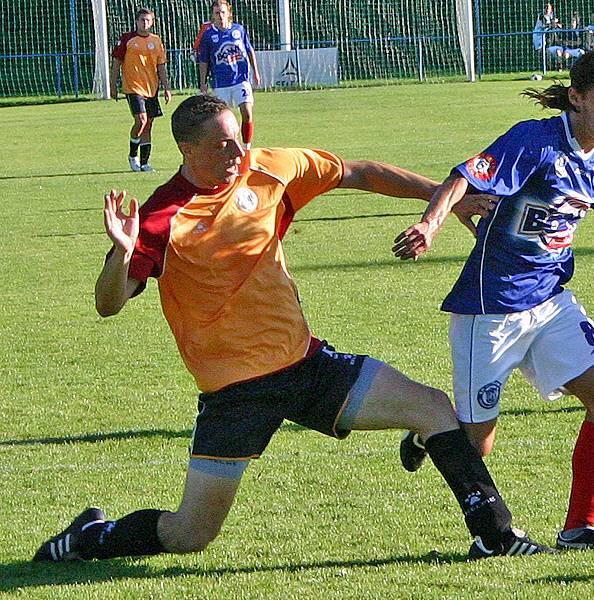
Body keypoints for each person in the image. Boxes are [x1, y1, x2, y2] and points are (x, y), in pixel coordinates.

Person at [32, 95, 555, 565]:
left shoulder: (269, 169)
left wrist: (448, 199)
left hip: (306, 367)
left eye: (239, 136)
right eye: (221, 144)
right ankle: (91, 537)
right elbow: (109, 304)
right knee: (189, 534)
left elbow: (361, 171)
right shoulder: (159, 218)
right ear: (187, 150)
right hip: (234, 394)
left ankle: (496, 535)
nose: (237, 150)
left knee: (433, 408)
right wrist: (120, 257)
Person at [393, 49, 594, 552]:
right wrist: (430, 225)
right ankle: (433, 436)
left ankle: (580, 527)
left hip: (550, 303)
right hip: (489, 308)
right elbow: (462, 178)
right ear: (577, 97)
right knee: (477, 443)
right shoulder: (534, 141)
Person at [110, 7, 172, 173]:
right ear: (136, 22)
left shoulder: (156, 41)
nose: (144, 23)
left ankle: (145, 163)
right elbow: (116, 62)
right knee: (141, 120)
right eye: (141, 20)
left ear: (152, 22)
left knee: (149, 124)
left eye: (147, 20)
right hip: (133, 88)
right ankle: (132, 156)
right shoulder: (127, 39)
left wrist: (166, 88)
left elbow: (161, 66)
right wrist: (112, 85)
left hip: (151, 89)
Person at [197, 0, 261, 149]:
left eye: (223, 12)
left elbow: (249, 50)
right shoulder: (208, 35)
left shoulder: (238, 30)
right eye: (217, 13)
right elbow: (203, 60)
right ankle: (229, 148)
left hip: (241, 79)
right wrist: (203, 81)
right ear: (213, 15)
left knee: (247, 112)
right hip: (221, 83)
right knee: (223, 119)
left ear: (229, 13)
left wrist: (255, 71)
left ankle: (247, 147)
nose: (220, 15)